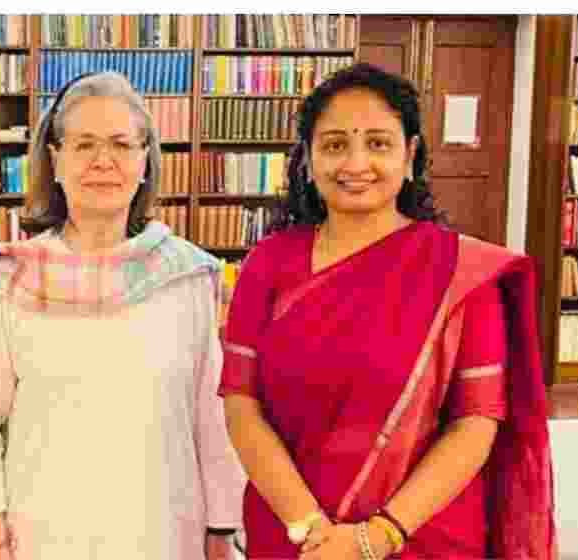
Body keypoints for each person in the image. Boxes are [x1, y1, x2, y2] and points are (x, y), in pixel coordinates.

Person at [219, 63, 556, 560]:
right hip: (291, 534)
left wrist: (372, 539)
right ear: (308, 161)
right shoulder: (267, 265)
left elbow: (476, 422)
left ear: (410, 155)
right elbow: (241, 406)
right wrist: (310, 528)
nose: (356, 163)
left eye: (378, 143)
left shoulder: (460, 273)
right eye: (334, 145)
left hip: (420, 534)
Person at [0, 71, 246, 560]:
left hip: (165, 529)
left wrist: (222, 528)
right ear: (55, 159)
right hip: (41, 530)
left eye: (120, 144)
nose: (103, 161)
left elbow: (212, 418)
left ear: (145, 161)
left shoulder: (190, 278)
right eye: (84, 144)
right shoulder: (11, 279)